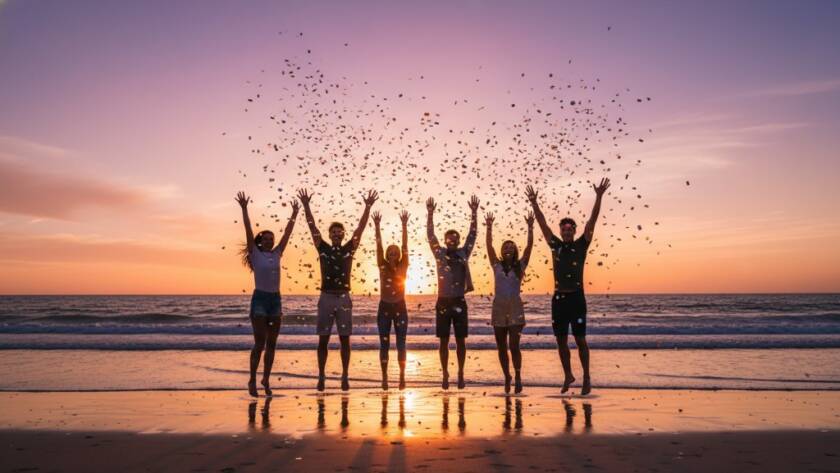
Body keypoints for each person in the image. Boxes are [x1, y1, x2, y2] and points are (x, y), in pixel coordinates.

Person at [526, 178, 610, 396]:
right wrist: (534, 203)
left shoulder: (582, 245)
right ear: (561, 231)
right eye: (563, 229)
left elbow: (592, 221)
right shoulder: (555, 246)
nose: (566, 231)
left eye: (569, 228)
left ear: (574, 230)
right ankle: (568, 375)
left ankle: (587, 377)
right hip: (559, 301)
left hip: (577, 299)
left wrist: (599, 196)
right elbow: (543, 225)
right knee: (560, 341)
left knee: (580, 340)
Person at [297, 188, 378, 391]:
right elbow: (311, 226)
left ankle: (345, 376)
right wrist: (306, 205)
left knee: (345, 339)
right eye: (333, 231)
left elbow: (360, 229)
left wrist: (367, 207)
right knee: (323, 340)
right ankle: (322, 375)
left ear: (342, 234)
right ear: (329, 234)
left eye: (339, 231)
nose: (336, 234)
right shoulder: (322, 247)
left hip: (343, 298)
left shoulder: (349, 248)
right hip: (325, 297)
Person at [236, 191, 299, 397]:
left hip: (275, 301)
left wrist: (295, 213)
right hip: (260, 300)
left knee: (272, 344)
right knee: (259, 343)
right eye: (267, 238)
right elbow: (247, 228)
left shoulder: (277, 253)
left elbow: (288, 234)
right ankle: (252, 380)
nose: (270, 241)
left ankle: (266, 379)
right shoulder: (255, 253)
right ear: (260, 240)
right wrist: (244, 209)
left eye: (272, 239)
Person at [426, 195, 479, 390]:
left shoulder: (463, 253)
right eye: (449, 238)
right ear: (446, 240)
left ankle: (461, 373)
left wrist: (474, 213)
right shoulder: (439, 254)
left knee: (460, 341)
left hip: (459, 301)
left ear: (457, 241)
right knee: (443, 341)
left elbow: (472, 236)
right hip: (442, 302)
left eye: (455, 238)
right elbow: (431, 236)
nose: (452, 241)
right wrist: (430, 213)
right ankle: (445, 374)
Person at [485, 210, 534, 394]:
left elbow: (530, 247)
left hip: (515, 307)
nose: (508, 249)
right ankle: (507, 376)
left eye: (511, 247)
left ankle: (518, 375)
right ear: (502, 250)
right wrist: (489, 227)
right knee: (501, 346)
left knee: (514, 345)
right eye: (505, 247)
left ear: (515, 251)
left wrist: (530, 227)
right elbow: (488, 245)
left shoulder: (520, 266)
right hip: (498, 307)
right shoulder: (496, 265)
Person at [372, 209, 410, 391]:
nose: (393, 253)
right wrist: (377, 226)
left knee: (401, 342)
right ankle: (385, 377)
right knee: (384, 343)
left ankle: (402, 377)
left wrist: (404, 225)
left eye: (396, 252)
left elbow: (405, 246)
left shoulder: (404, 265)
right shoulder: (382, 265)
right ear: (387, 255)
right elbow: (378, 246)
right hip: (384, 308)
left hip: (400, 307)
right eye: (390, 252)